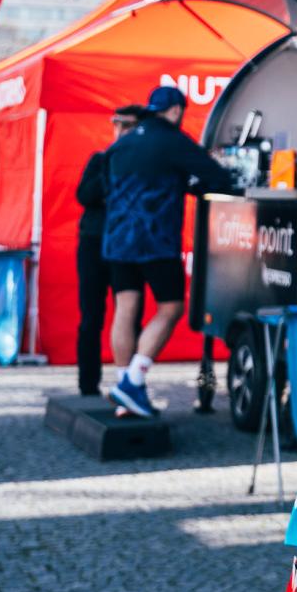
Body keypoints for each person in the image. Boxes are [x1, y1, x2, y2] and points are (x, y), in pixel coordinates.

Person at [104, 86, 235, 417]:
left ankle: (124, 388)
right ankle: (132, 382)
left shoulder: (124, 142)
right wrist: (191, 185)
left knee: (125, 307)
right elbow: (219, 178)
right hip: (155, 241)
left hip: (117, 239)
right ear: (176, 111)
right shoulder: (172, 139)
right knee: (172, 307)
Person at [74, 104, 143, 396]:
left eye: (127, 125)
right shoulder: (101, 159)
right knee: (91, 317)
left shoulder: (144, 164)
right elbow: (84, 195)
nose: (121, 130)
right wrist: (113, 169)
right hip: (94, 244)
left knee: (129, 315)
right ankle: (88, 385)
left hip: (126, 247)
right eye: (117, 124)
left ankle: (130, 382)